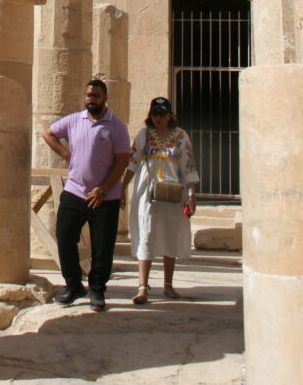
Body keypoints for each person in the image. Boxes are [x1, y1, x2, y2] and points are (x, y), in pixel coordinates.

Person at [42, 78, 131, 312]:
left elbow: (122, 160)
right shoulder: (74, 120)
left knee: (102, 245)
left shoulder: (116, 125)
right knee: (64, 236)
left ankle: (97, 289)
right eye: (88, 95)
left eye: (96, 96)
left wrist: (103, 188)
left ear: (105, 98)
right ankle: (73, 285)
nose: (91, 100)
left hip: (105, 195)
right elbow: (48, 134)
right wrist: (66, 154)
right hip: (75, 191)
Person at [121, 96, 199, 304]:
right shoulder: (144, 135)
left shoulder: (181, 136)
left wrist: (191, 195)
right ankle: (142, 286)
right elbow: (133, 163)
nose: (158, 117)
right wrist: (122, 187)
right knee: (146, 233)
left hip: (174, 193)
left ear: (170, 115)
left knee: (170, 235)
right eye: (155, 113)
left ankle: (168, 285)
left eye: (162, 113)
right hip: (148, 194)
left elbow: (188, 167)